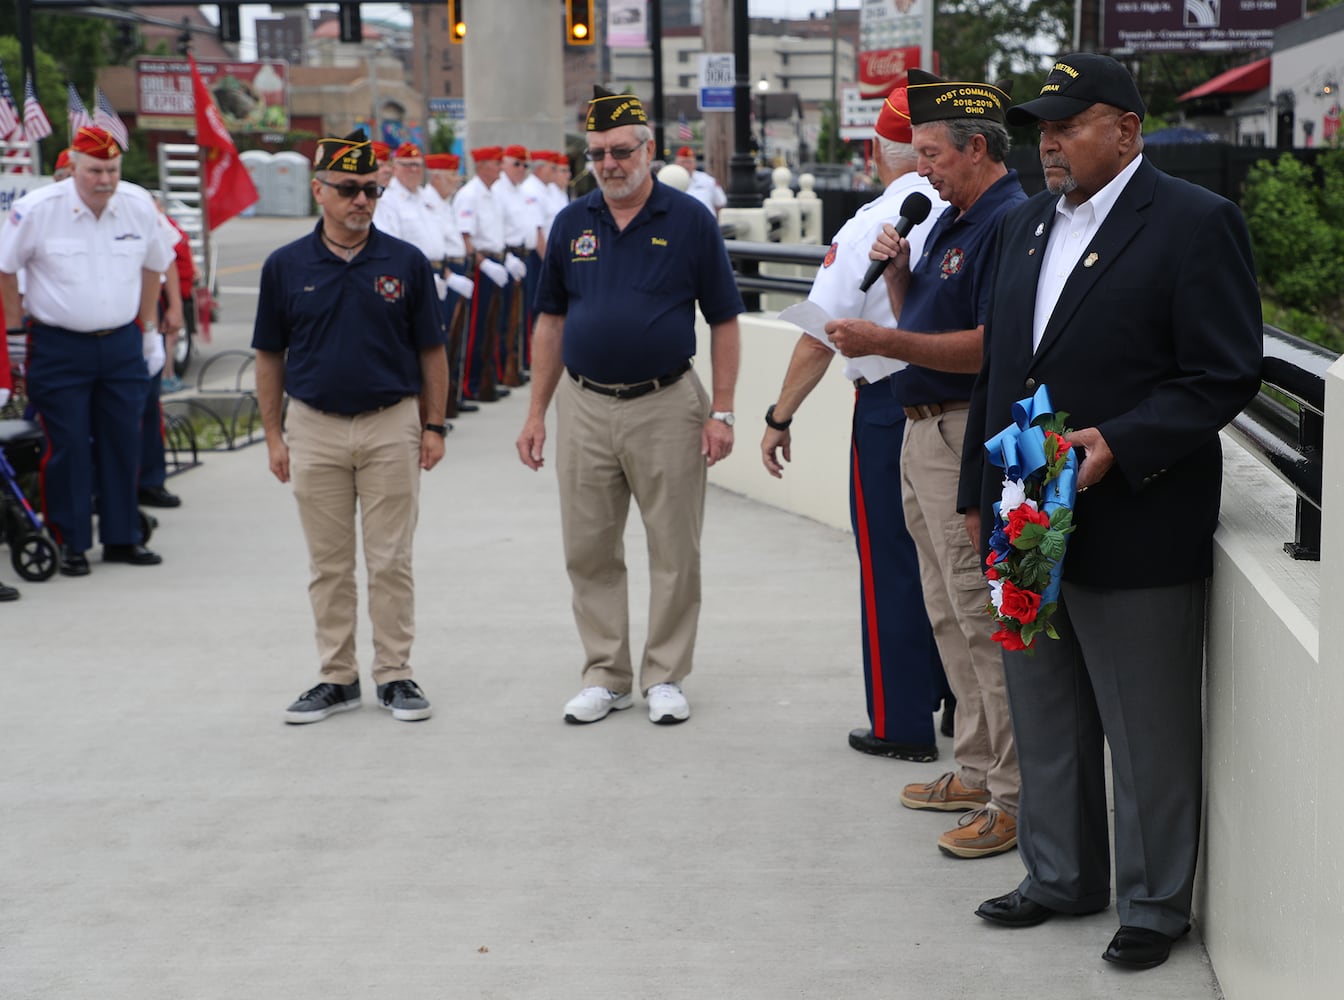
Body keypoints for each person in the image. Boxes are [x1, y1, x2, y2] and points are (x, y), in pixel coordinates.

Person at [960, 54, 1262, 967]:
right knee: (1043, 709)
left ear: (1127, 129)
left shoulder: (1195, 222)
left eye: (1068, 122)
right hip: (1025, 513)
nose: (1047, 140)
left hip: (1135, 513)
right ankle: (1060, 874)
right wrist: (981, 497)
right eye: (1041, 127)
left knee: (1146, 727)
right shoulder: (1023, 228)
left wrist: (1121, 442)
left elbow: (1222, 372)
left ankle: (1154, 904)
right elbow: (1004, 369)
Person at [825, 69, 1027, 859]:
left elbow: (990, 346)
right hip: (922, 429)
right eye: (915, 154)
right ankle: (974, 767)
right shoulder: (950, 218)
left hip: (962, 431)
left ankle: (1012, 795)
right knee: (945, 607)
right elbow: (926, 316)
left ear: (977, 149)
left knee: (980, 615)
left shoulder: (1007, 222)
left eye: (934, 154)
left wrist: (887, 343)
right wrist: (902, 276)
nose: (922, 170)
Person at [516, 85, 743, 726]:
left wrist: (721, 410)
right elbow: (550, 321)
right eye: (596, 154)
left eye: (621, 150)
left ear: (649, 149)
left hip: (667, 403)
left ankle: (665, 675)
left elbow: (725, 320)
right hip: (583, 405)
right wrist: (536, 411)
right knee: (588, 548)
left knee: (674, 548)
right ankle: (606, 674)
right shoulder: (571, 222)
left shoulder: (690, 220)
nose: (610, 164)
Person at [761, 85, 952, 763]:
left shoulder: (877, 217)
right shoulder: (960, 208)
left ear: (878, 151)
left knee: (891, 566)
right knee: (942, 562)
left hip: (887, 401)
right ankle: (948, 694)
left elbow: (821, 333)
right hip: (953, 394)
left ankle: (900, 720)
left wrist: (778, 415)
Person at [252, 131, 450, 724]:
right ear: (319, 191)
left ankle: (395, 674)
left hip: (391, 424)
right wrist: (273, 435)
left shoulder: (405, 262)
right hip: (314, 427)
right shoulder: (285, 266)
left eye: (371, 189)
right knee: (329, 563)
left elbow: (432, 352)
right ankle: (337, 677)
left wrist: (434, 425)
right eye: (348, 189)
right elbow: (269, 356)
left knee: (391, 558)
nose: (362, 200)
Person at [0, 126, 172, 576]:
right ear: (73, 167)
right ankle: (69, 540)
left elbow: (156, 265)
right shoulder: (37, 209)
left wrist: (150, 329)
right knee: (68, 444)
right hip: (59, 344)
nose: (105, 180)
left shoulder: (137, 205)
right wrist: (15, 334)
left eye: (112, 170)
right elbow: (5, 269)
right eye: (95, 170)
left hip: (121, 341)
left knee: (123, 439)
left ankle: (122, 537)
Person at [454, 145, 509, 402]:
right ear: (483, 165)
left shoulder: (493, 193)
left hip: (496, 262)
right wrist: (483, 264)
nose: (500, 168)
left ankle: (485, 379)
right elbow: (465, 237)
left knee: (491, 326)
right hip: (480, 266)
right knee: (475, 328)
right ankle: (469, 384)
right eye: (496, 163)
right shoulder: (469, 195)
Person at [674, 145, 726, 217]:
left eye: (689, 162)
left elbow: (720, 203)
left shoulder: (708, 180)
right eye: (683, 162)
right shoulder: (670, 181)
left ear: (695, 164)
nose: (686, 166)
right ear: (676, 164)